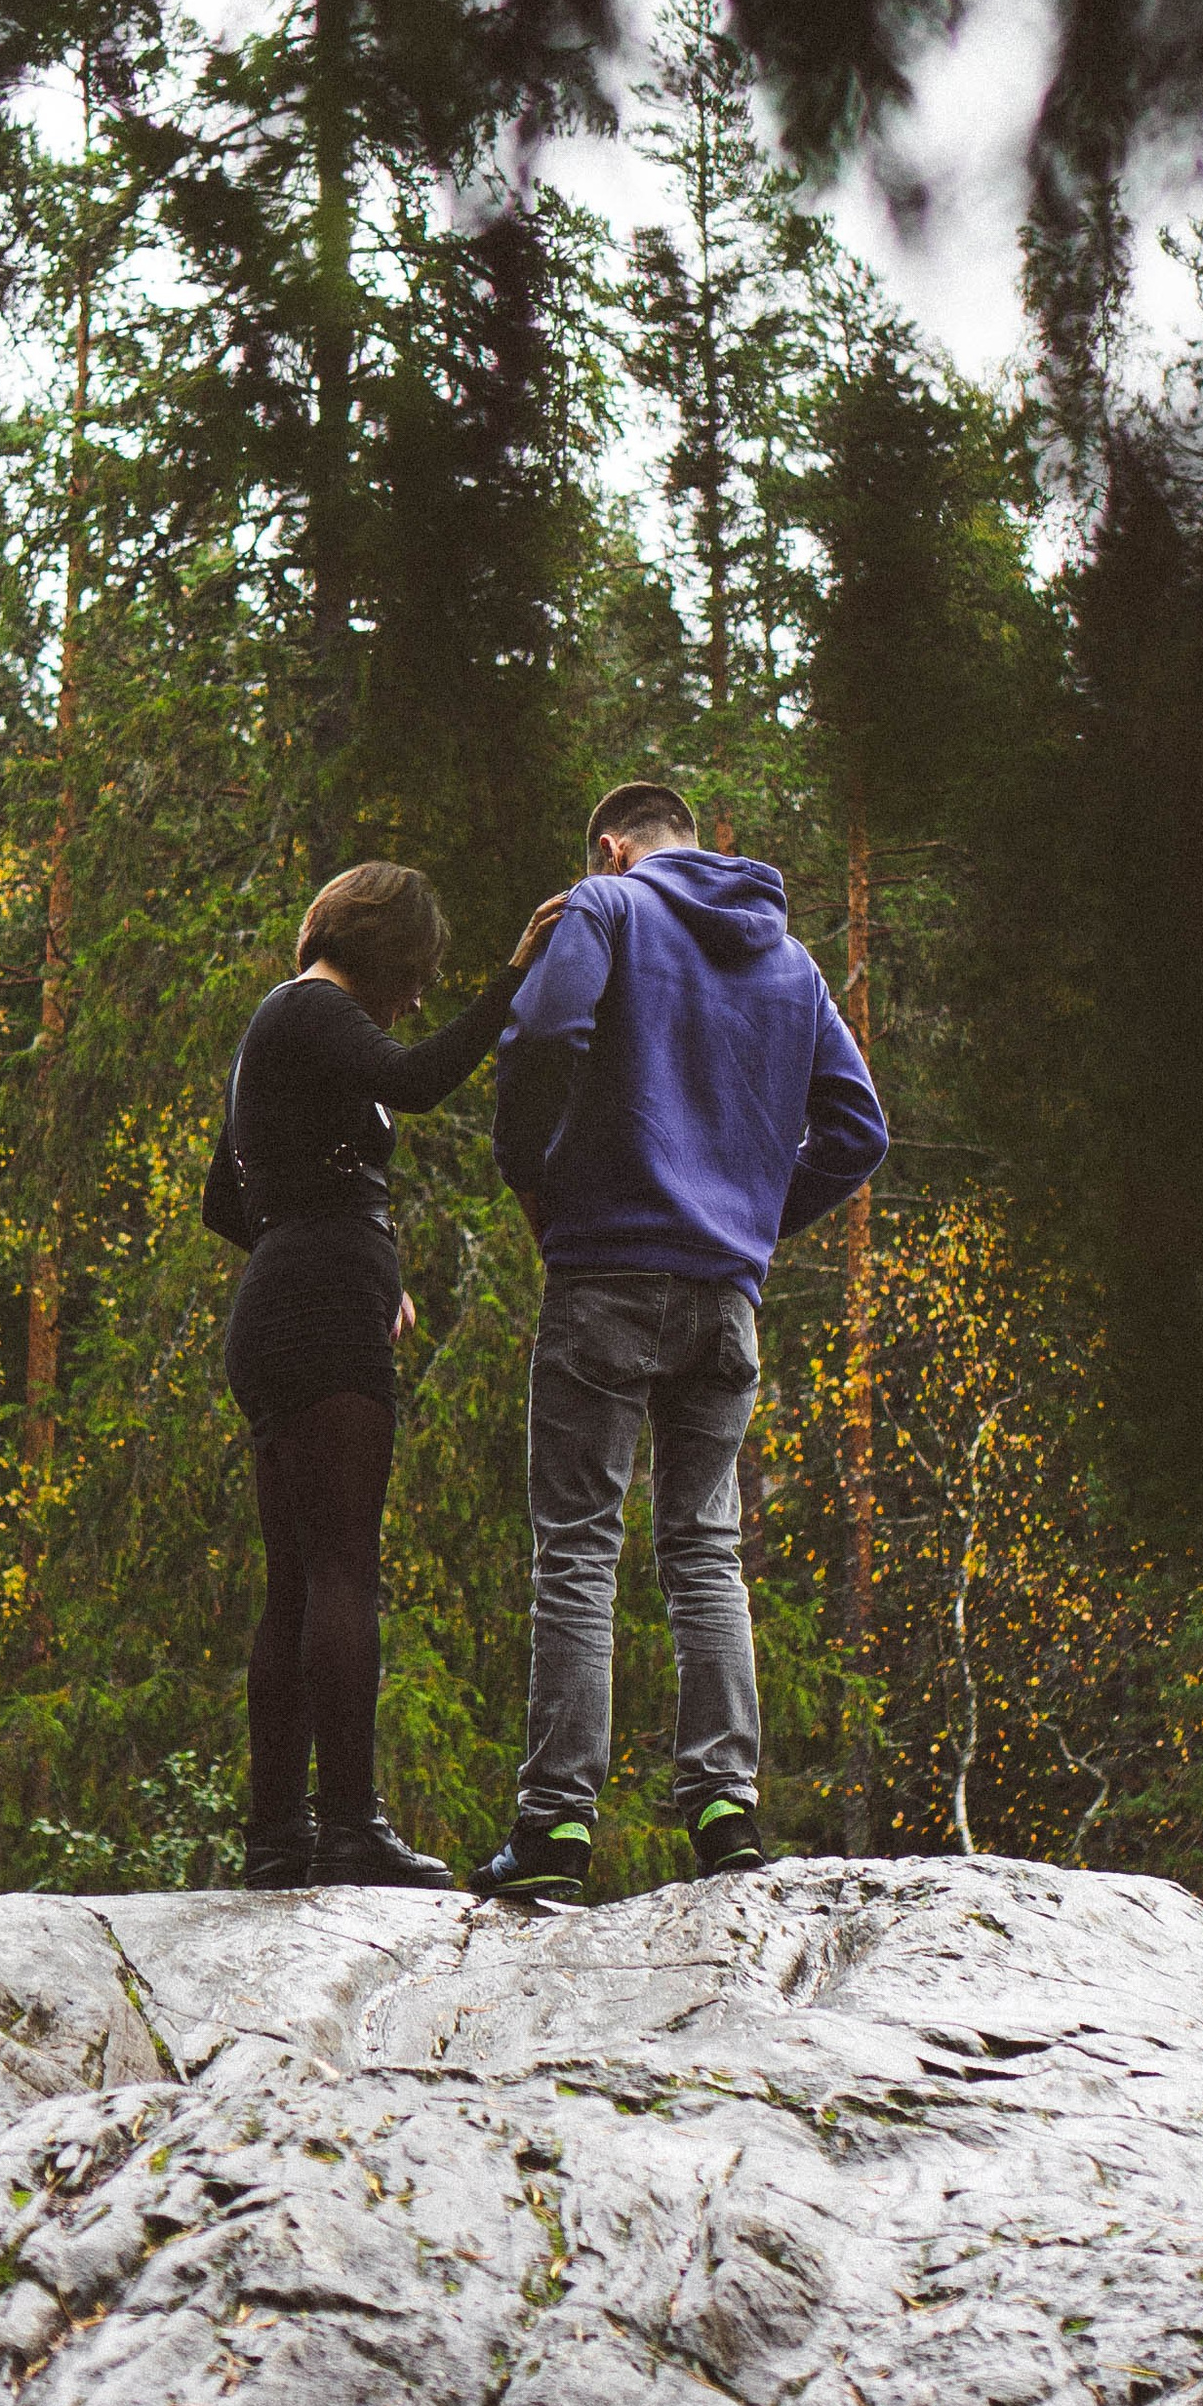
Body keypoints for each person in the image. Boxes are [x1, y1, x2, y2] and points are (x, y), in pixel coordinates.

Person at [477, 781, 889, 1906]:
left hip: (606, 1267)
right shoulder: (791, 962)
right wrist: (752, 1215)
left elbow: (547, 1029)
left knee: (578, 1546)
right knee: (703, 1547)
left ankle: (557, 1828)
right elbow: (858, 1131)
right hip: (725, 1296)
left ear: (612, 850)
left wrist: (533, 1174)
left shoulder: (606, 911)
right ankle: (723, 1810)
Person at [205, 859, 567, 1891]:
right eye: (417, 974)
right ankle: (349, 1829)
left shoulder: (277, 1033)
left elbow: (222, 1202)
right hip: (319, 1315)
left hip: (285, 1308)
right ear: (382, 947)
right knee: (341, 1571)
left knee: (294, 1582)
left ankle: (279, 1837)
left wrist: (324, 1251)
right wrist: (515, 978)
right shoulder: (313, 1009)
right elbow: (416, 1079)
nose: (418, 998)